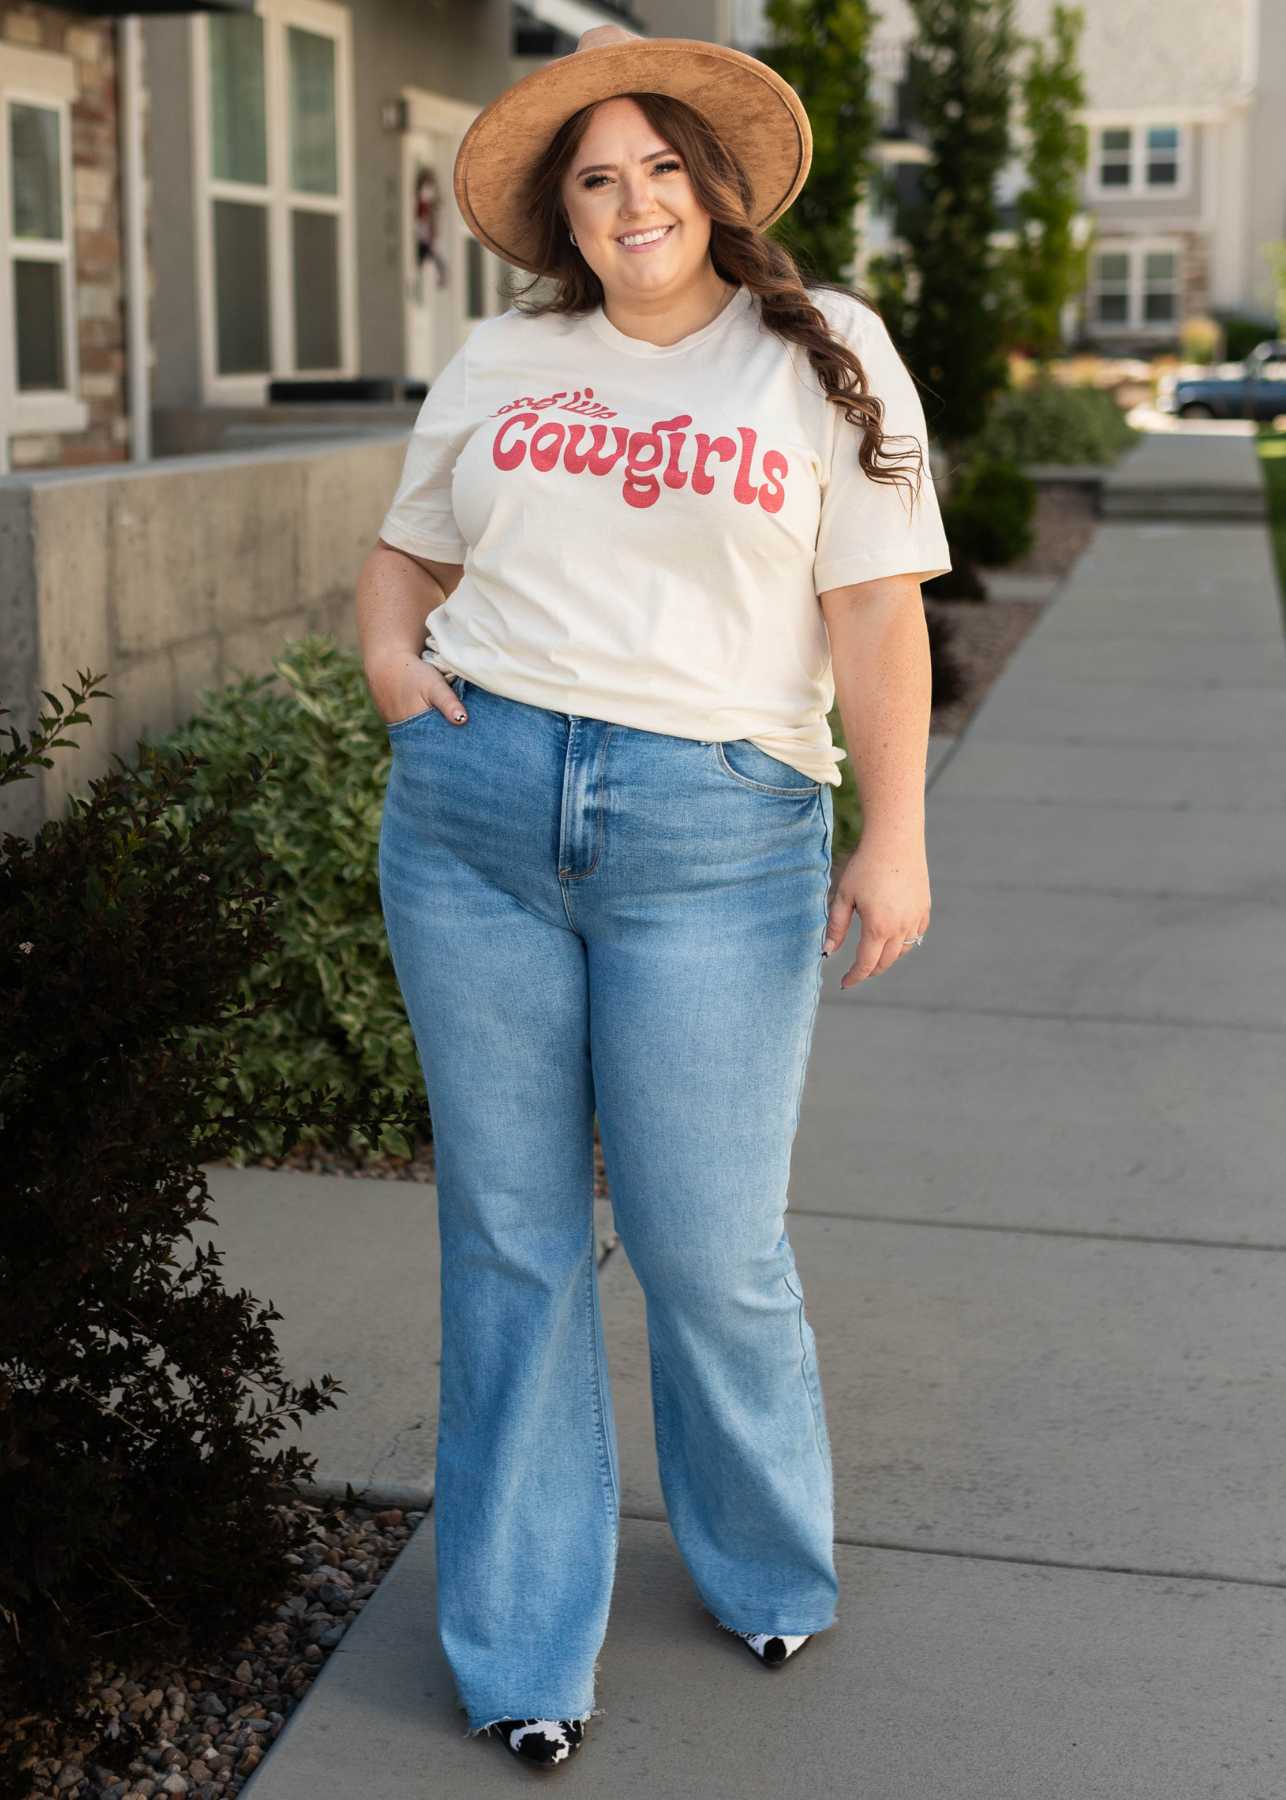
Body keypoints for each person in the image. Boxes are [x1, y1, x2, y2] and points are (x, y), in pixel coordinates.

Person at [356, 25, 949, 1771]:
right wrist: (395, 661)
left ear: (717, 183)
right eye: (596, 178)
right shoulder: (505, 352)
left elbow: (873, 611)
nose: (631, 199)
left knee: (707, 1242)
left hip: (717, 830)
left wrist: (894, 830)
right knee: (511, 1242)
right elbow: (409, 546)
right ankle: (522, 1653)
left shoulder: (821, 350)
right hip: (474, 820)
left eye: (659, 166)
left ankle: (760, 1554)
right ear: (564, 213)